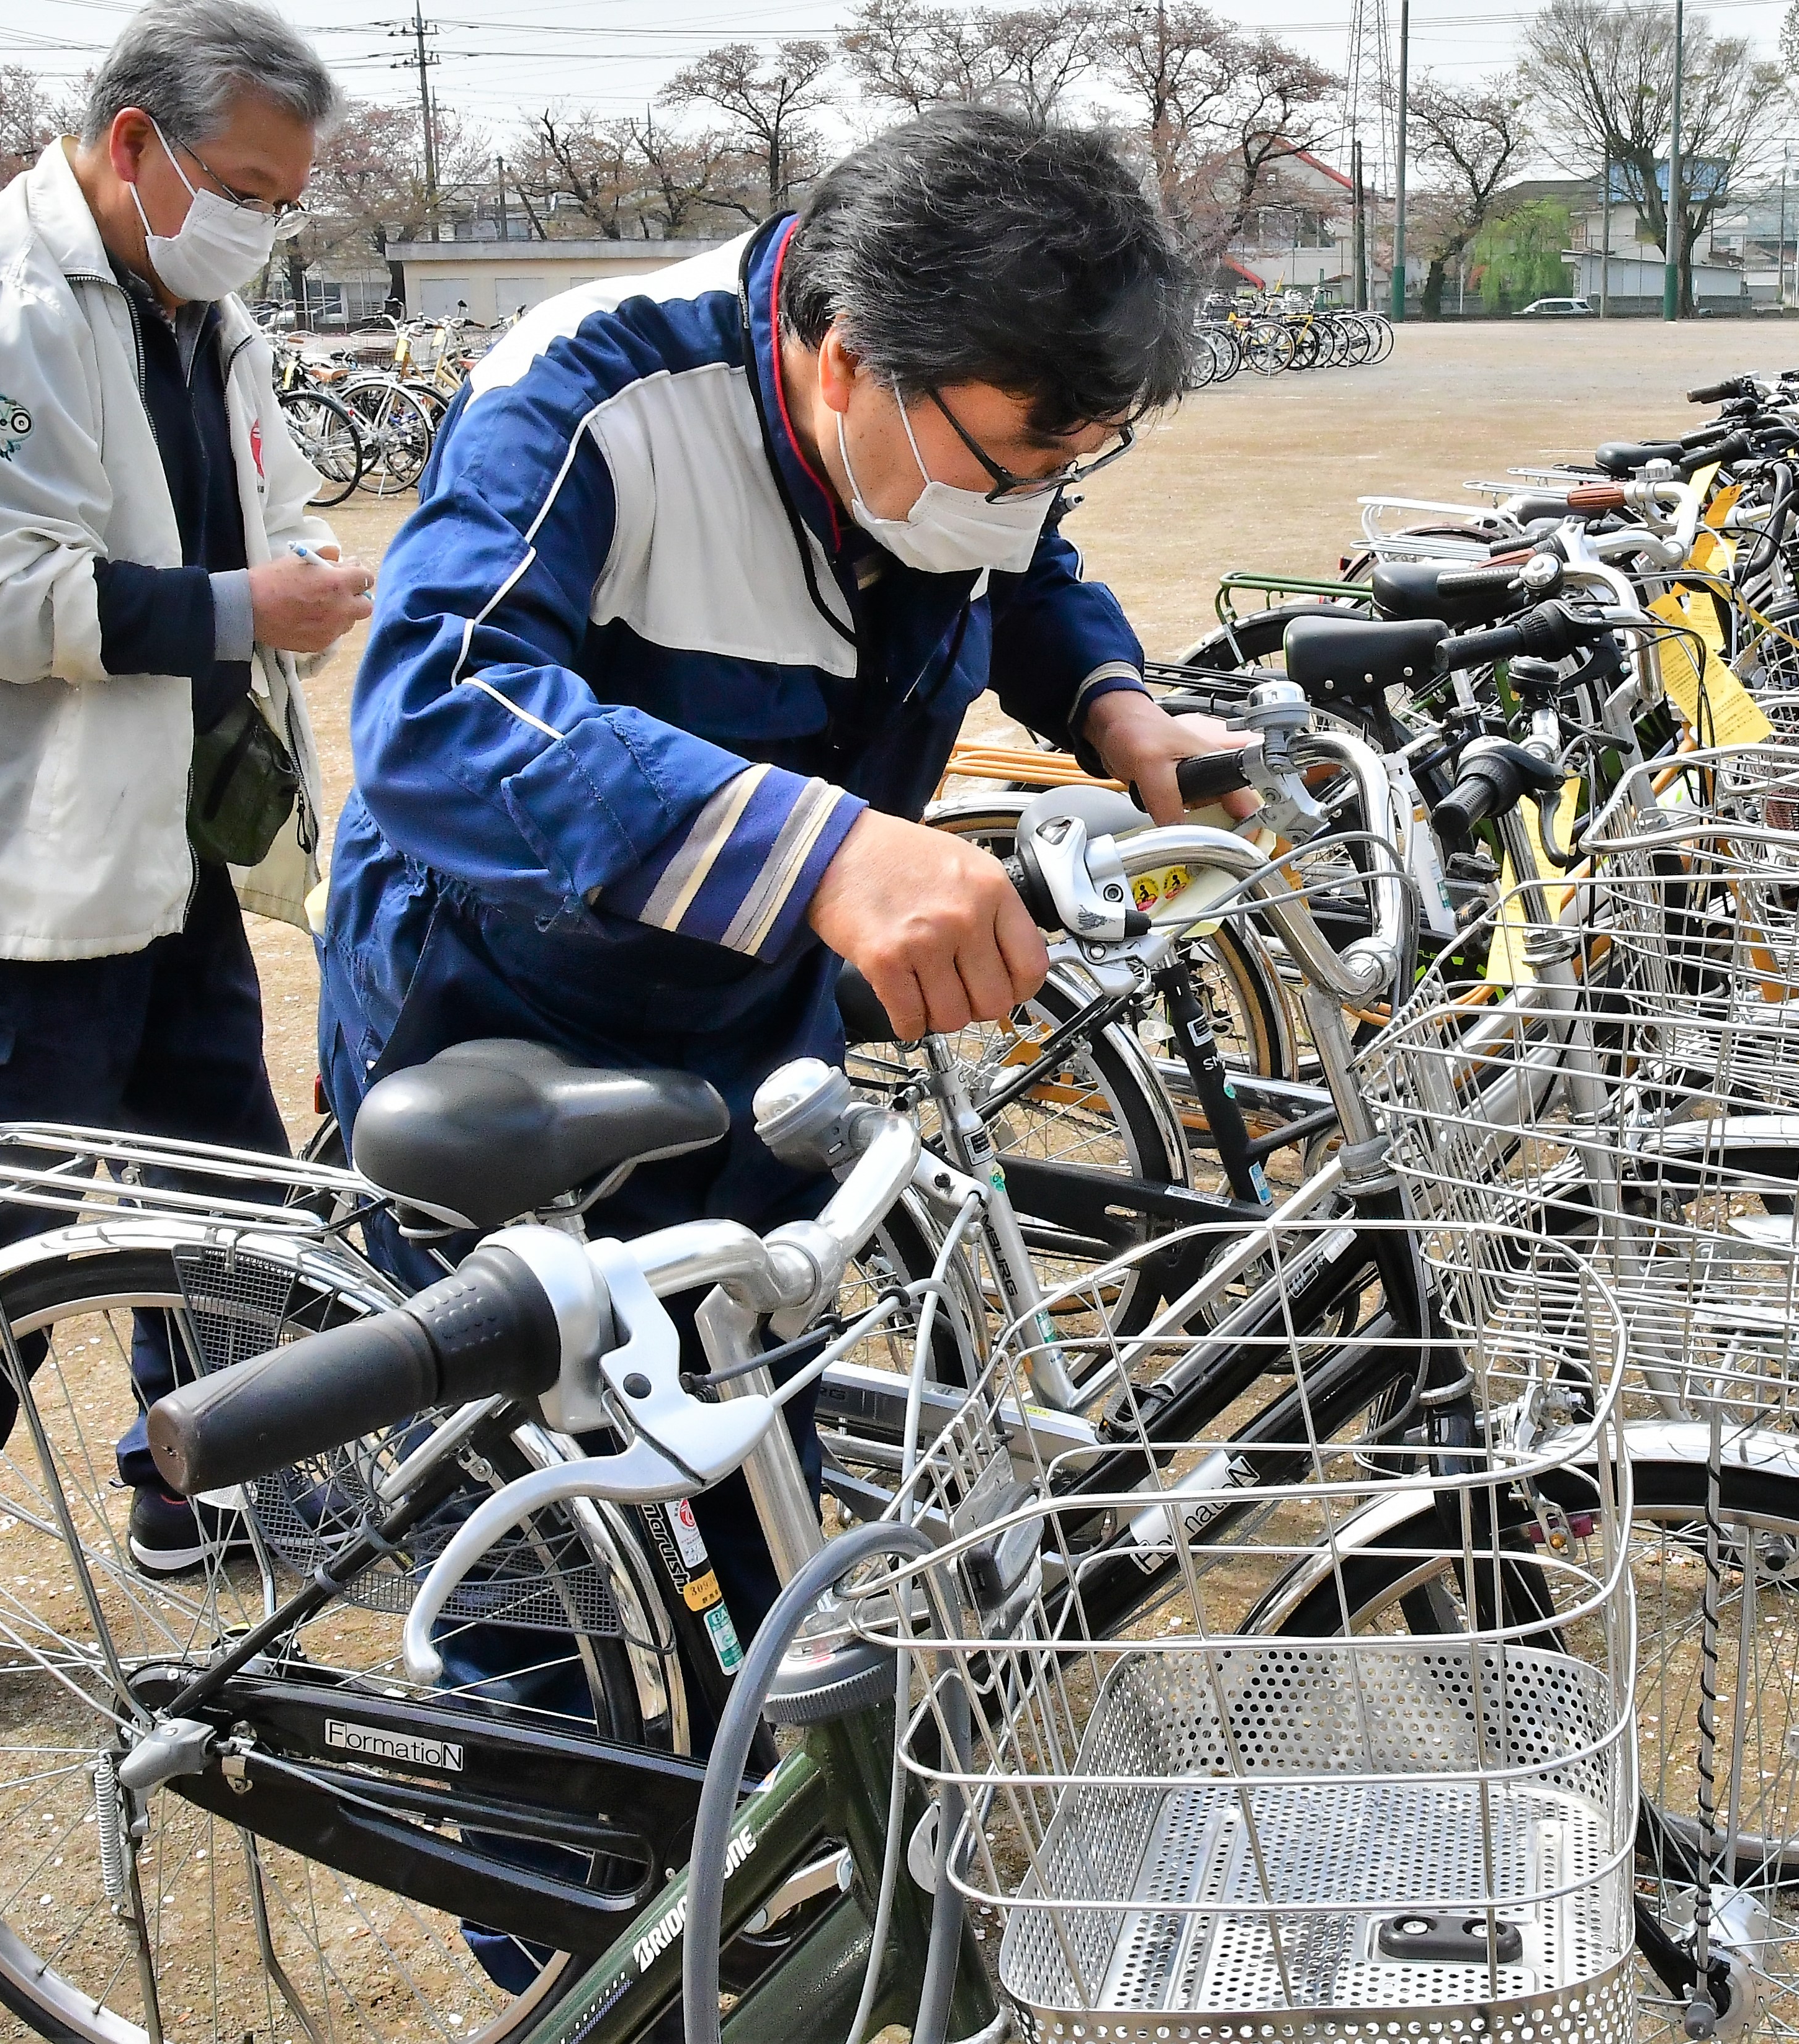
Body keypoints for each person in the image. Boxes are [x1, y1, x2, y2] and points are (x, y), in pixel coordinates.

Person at [320, 105, 1216, 1729]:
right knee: (544, 1509)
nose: (1027, 502)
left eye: (1068, 465)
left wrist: (1121, 708)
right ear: (847, 355)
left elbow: (1021, 563)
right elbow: (433, 710)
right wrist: (824, 851)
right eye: (1014, 458)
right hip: (501, 999)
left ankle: (770, 1807)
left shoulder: (947, 439)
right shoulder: (593, 388)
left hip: (749, 1006)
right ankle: (563, 1907)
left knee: (750, 1418)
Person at [0, 0, 364, 1694]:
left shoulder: (194, 300)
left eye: (288, 201)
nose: (263, 225)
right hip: (7, 869)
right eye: (246, 187)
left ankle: (191, 1480)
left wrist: (291, 560)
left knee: (233, 1200)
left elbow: (247, 496)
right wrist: (241, 602)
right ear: (132, 142)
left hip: (165, 845)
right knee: (0, 1236)